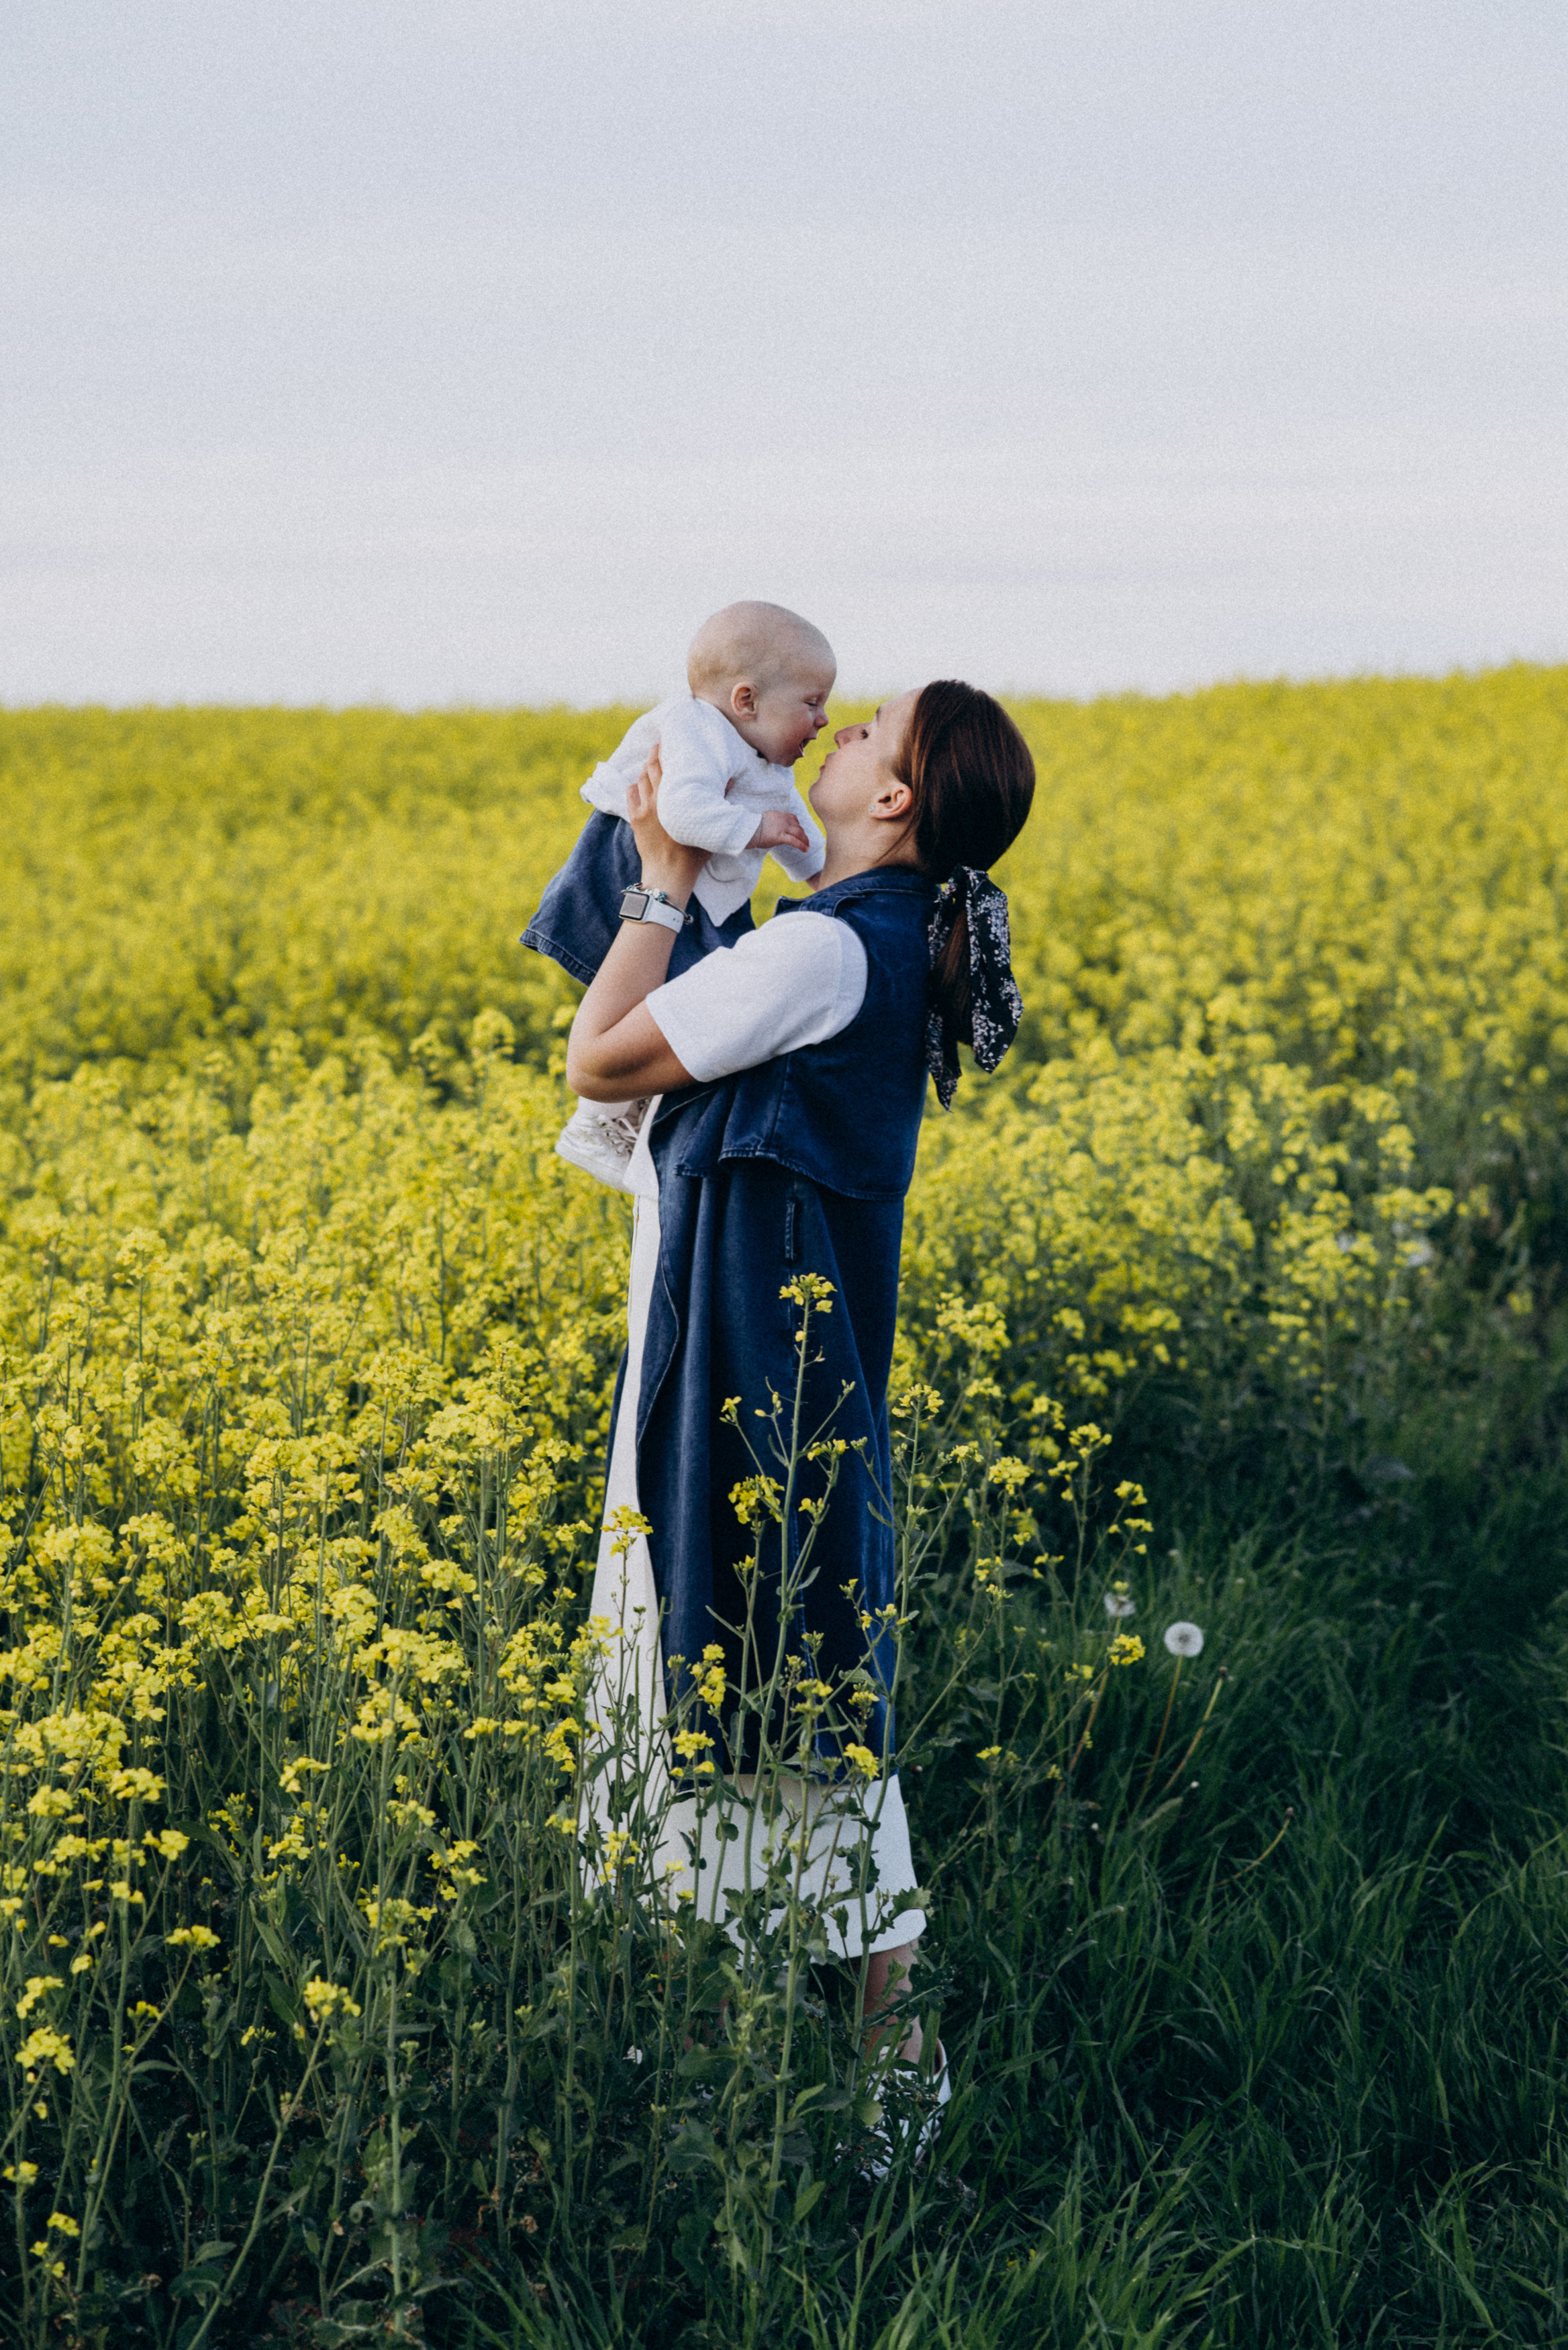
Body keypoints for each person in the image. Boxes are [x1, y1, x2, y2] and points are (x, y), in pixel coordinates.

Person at [563, 677, 1036, 2081]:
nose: (834, 732)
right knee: (798, 1684)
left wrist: (657, 888)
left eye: (865, 733)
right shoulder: (855, 936)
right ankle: (788, 2061)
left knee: (746, 1670)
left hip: (743, 1368)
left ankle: (857, 2068)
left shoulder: (823, 955)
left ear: (892, 799)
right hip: (781, 1365)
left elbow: (598, 1058)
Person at [522, 601, 835, 1188]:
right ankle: (597, 1123)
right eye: (812, 703)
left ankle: (630, 1113)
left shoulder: (762, 754)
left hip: (696, 894)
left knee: (695, 1001)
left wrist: (829, 878)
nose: (823, 721)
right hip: (631, 868)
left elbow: (796, 827)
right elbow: (681, 812)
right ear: (746, 701)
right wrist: (757, 830)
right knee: (667, 1003)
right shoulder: (696, 727)